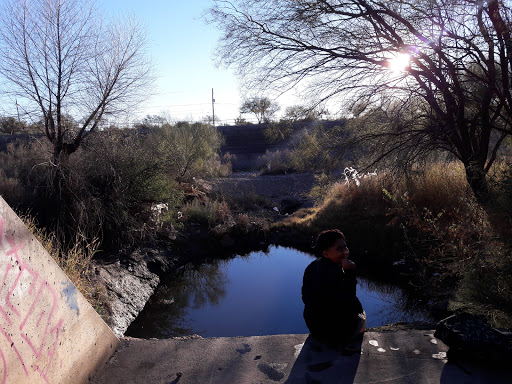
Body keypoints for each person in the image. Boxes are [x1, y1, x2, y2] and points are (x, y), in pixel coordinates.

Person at [302, 229, 366, 349]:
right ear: (325, 253)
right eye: (339, 249)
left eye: (345, 247)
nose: (345, 252)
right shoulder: (337, 272)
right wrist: (350, 272)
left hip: (315, 329)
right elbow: (349, 300)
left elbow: (305, 297)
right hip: (335, 335)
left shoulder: (311, 267)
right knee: (362, 314)